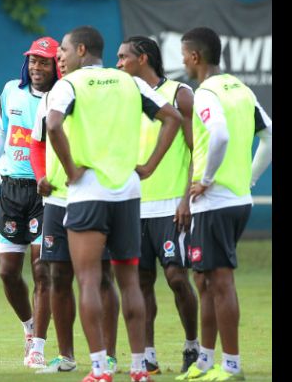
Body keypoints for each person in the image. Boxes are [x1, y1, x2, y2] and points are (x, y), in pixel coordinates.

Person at [46, 26, 182, 382]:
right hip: (127, 193)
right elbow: (173, 118)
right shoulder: (131, 83)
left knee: (89, 280)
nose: (60, 56)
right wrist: (148, 167)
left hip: (88, 193)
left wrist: (71, 169)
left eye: (64, 49)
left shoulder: (69, 85)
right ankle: (139, 368)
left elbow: (53, 125)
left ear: (81, 50)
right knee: (129, 282)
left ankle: (99, 369)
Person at [175, 27, 272, 381]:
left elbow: (219, 134)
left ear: (195, 57)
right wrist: (249, 179)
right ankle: (205, 362)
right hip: (236, 199)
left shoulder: (205, 93)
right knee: (204, 281)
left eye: (183, 54)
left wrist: (208, 179)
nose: (181, 60)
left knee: (220, 282)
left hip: (215, 201)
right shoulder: (240, 89)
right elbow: (269, 135)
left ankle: (230, 366)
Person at [0, 36, 58, 369]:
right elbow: (1, 135)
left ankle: (40, 347)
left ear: (56, 66)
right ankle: (29, 328)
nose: (36, 67)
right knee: (7, 272)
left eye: (44, 62)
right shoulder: (10, 91)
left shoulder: (61, 97)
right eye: (33, 60)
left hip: (45, 193)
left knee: (41, 272)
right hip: (11, 190)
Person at [29, 38, 121, 374]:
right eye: (57, 57)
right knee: (57, 274)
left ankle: (108, 355)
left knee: (103, 275)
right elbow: (37, 144)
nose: (60, 60)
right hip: (57, 200)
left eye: (62, 54)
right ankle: (66, 356)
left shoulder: (107, 91)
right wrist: (42, 176)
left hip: (97, 195)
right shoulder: (53, 96)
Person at [116, 36, 201, 375]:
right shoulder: (122, 96)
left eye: (124, 57)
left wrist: (186, 198)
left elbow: (198, 150)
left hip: (171, 206)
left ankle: (193, 345)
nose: (118, 63)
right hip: (133, 206)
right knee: (141, 281)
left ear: (144, 58)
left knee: (177, 277)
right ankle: (147, 354)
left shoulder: (179, 94)